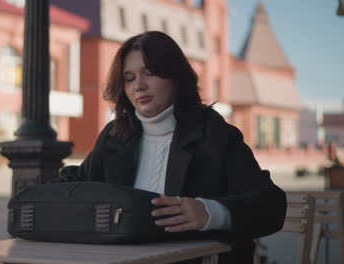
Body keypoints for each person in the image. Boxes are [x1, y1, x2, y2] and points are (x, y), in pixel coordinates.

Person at [58, 31, 286, 263]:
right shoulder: (114, 136)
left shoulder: (214, 133)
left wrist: (210, 212)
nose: (139, 86)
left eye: (150, 73)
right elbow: (76, 184)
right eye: (129, 78)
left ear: (176, 76)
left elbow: (271, 204)